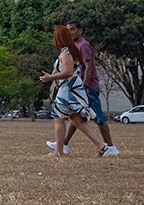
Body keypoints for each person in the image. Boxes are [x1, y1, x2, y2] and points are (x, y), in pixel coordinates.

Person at [46, 20, 120, 157]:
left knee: (97, 117)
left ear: (80, 30)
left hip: (85, 87)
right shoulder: (72, 47)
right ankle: (63, 145)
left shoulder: (83, 45)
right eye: (68, 30)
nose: (70, 32)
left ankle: (110, 147)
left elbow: (88, 67)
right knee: (75, 118)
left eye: (73, 29)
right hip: (76, 88)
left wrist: (85, 86)